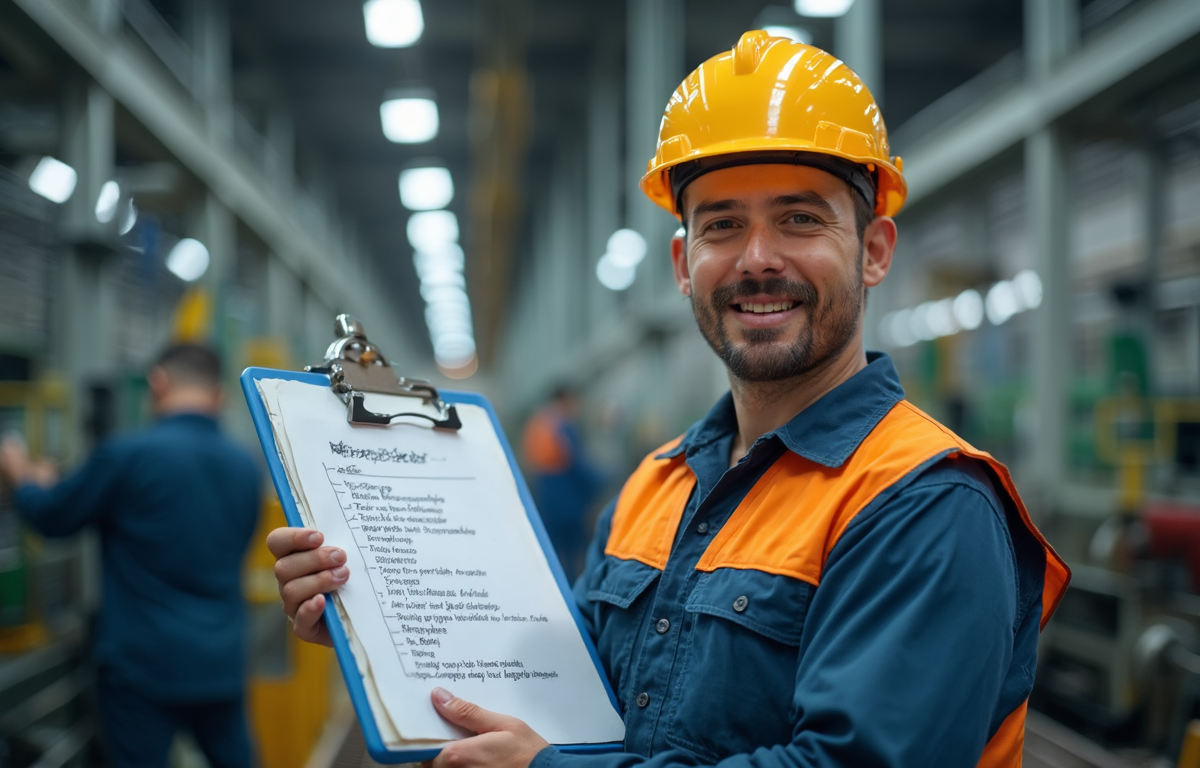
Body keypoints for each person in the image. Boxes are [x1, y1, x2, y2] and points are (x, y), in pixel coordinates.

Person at [266, 31, 1070, 768]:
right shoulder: (658, 483)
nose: (758, 259)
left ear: (874, 252)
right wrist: (379, 621)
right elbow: (559, 685)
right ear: (686, 264)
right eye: (723, 226)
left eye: (799, 219)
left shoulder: (924, 503)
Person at [0, 343, 261, 768]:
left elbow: (53, 519)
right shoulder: (246, 465)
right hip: (220, 663)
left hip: (142, 668)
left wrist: (24, 479)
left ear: (157, 383)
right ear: (218, 395)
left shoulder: (125, 456)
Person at [520, 384, 604, 581]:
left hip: (546, 496)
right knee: (576, 558)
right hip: (567, 498)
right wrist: (602, 479)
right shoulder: (563, 425)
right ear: (565, 400)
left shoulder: (537, 424)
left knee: (554, 555)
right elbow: (577, 465)